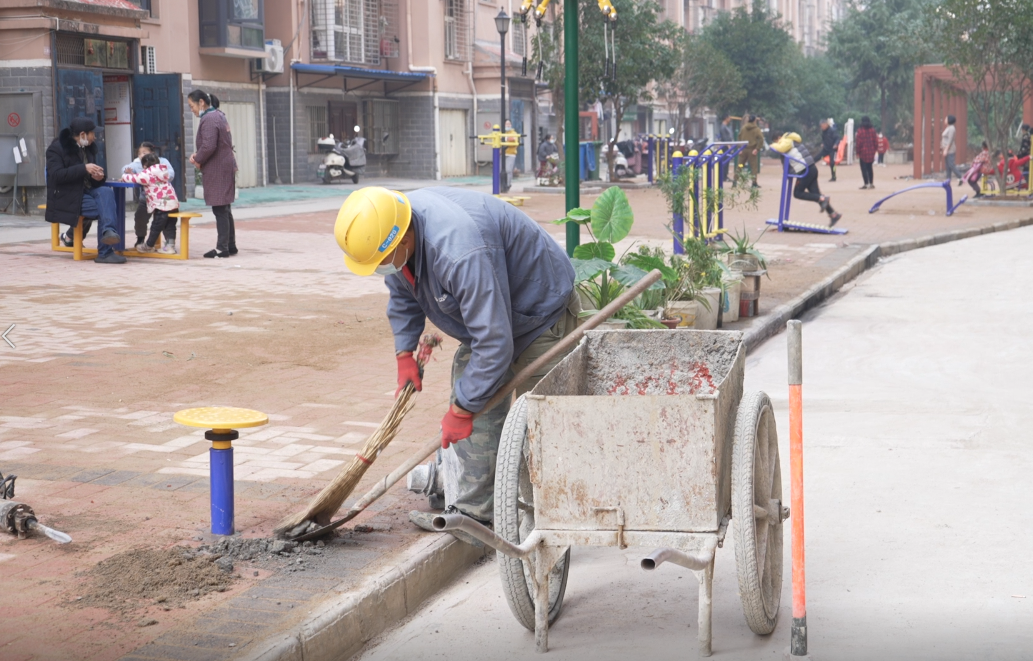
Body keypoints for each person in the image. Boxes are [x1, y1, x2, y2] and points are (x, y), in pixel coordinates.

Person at [333, 186, 578, 545]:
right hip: (493, 321)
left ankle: (551, 529)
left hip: (540, 313)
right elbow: (403, 293)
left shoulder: (460, 252)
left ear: (403, 238)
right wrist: (404, 353)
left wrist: (462, 410)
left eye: (383, 259)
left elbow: (494, 343)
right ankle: (475, 518)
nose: (383, 267)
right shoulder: (394, 228)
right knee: (473, 409)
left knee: (540, 430)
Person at [45, 117, 125, 264]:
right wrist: (84, 168)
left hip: (87, 192)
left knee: (106, 192)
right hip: (67, 196)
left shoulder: (88, 148)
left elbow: (92, 180)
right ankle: (105, 252)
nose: (95, 137)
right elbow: (56, 175)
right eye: (93, 133)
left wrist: (98, 177)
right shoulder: (56, 149)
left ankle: (108, 232)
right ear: (83, 134)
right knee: (105, 208)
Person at [188, 89, 237, 258]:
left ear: (201, 102)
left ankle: (222, 248)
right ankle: (230, 245)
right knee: (225, 207)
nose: (192, 110)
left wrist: (197, 158)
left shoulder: (209, 118)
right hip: (224, 165)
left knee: (220, 208)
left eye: (192, 106)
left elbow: (209, 146)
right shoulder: (219, 115)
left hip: (218, 168)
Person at [771, 132, 842, 226]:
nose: (777, 143)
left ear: (779, 138)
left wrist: (772, 146)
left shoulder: (785, 141)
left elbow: (781, 148)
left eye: (776, 141)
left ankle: (823, 198)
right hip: (811, 168)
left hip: (805, 170)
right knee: (816, 195)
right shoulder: (791, 140)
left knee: (797, 193)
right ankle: (834, 215)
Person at [121, 153, 179, 254]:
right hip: (172, 203)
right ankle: (170, 246)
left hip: (161, 205)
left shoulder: (147, 173)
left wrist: (124, 176)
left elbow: (134, 179)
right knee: (170, 226)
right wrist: (133, 174)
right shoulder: (163, 171)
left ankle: (148, 246)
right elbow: (143, 178)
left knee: (156, 226)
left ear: (144, 166)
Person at [737, 115, 764, 188]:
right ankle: (754, 183)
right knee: (753, 167)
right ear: (755, 120)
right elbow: (761, 139)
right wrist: (757, 148)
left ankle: (735, 181)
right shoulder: (756, 129)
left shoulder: (743, 128)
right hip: (752, 150)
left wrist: (739, 148)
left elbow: (739, 137)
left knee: (740, 165)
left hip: (743, 149)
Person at [855, 116, 879, 189]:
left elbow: (858, 143)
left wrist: (857, 152)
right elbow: (876, 141)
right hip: (871, 152)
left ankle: (866, 183)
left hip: (863, 153)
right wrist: (875, 149)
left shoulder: (860, 131)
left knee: (864, 169)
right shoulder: (873, 130)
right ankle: (871, 183)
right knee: (870, 168)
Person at [941, 115, 965, 185]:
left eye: (946, 119)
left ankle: (960, 177)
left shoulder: (951, 128)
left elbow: (950, 140)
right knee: (947, 166)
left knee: (951, 164)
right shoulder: (948, 127)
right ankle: (948, 180)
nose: (945, 120)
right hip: (946, 149)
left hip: (950, 149)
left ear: (949, 120)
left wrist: (946, 149)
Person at [501, 120, 519, 193]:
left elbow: (514, 141)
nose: (508, 125)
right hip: (502, 154)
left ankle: (508, 185)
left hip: (511, 154)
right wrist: (508, 139)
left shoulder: (514, 133)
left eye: (509, 124)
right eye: (506, 124)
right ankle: (501, 185)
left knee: (508, 170)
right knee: (500, 170)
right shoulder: (502, 133)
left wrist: (505, 139)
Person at [719, 115, 735, 183]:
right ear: (726, 118)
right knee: (725, 160)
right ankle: (723, 176)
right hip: (725, 146)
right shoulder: (723, 127)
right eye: (729, 118)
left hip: (728, 145)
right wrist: (729, 146)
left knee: (727, 161)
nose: (730, 119)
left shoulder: (726, 126)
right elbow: (725, 137)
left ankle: (725, 175)